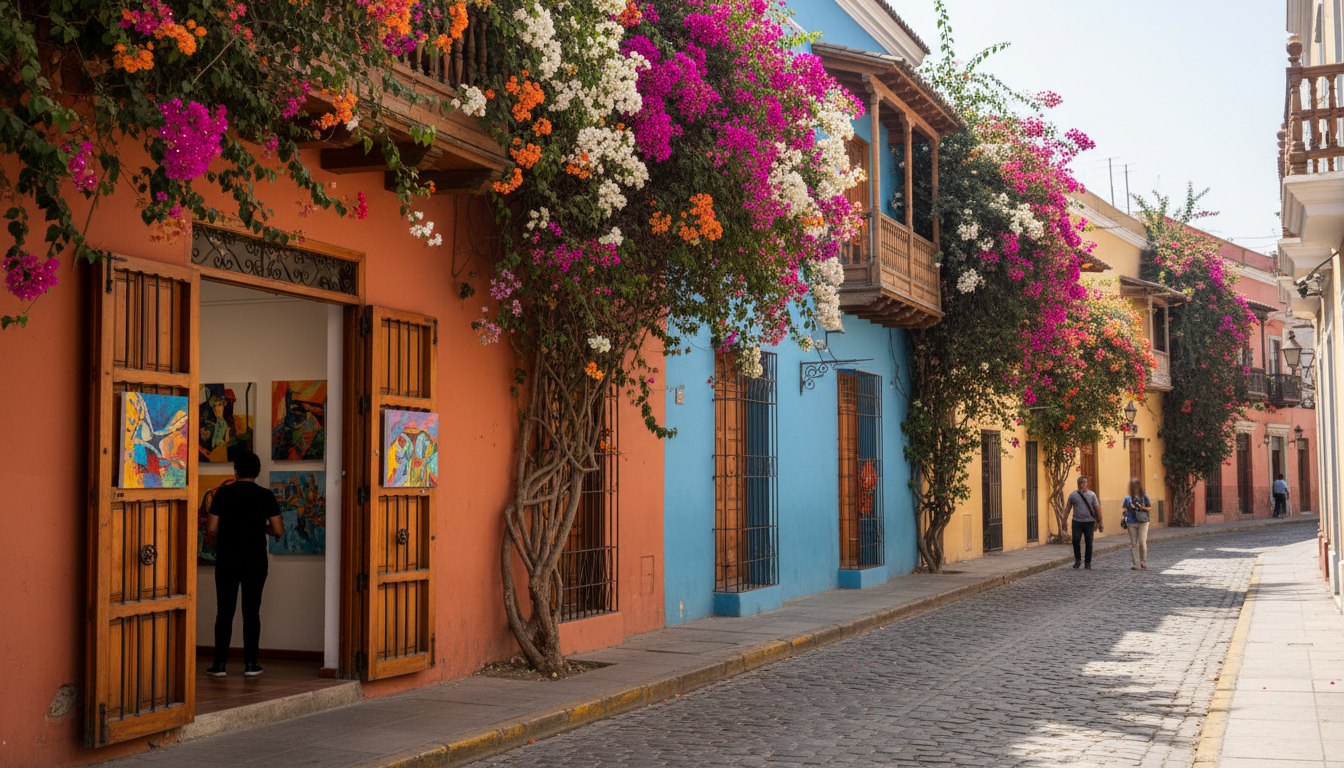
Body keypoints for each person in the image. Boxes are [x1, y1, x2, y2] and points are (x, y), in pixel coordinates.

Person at [205, 451, 283, 678]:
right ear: (258, 472)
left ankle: (219, 665)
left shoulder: (223, 493)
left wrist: (230, 529)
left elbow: (211, 526)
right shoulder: (265, 495)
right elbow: (277, 530)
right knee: (251, 613)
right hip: (255, 561)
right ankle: (251, 664)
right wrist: (260, 529)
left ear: (235, 471)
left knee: (224, 613)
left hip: (227, 559)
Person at [1067, 476, 1103, 570]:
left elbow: (1097, 509)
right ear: (1077, 484)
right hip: (1077, 522)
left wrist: (1100, 522)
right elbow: (1068, 508)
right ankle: (1077, 560)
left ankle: (1087, 563)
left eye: (1084, 482)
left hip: (1089, 522)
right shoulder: (1073, 495)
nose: (1082, 484)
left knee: (1089, 542)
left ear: (1087, 484)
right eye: (1080, 483)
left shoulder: (1092, 495)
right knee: (1075, 540)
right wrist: (1064, 521)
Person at [1122, 478, 1152, 570]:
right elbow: (1125, 509)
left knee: (1142, 542)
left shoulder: (1145, 497)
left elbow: (1149, 508)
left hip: (1143, 521)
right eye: (1133, 486)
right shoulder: (1127, 498)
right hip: (1131, 522)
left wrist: (1140, 507)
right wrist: (1125, 517)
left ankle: (1143, 560)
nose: (1135, 488)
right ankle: (1136, 564)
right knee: (1134, 543)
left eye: (1136, 485)